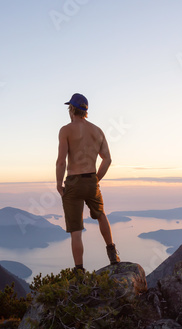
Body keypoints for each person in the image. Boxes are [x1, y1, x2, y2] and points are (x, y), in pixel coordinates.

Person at [55, 93, 119, 272]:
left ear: (72, 109)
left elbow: (61, 161)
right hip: (92, 181)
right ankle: (113, 255)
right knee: (101, 215)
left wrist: (59, 184)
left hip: (73, 182)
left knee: (76, 230)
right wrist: (96, 178)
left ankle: (79, 270)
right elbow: (107, 159)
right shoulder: (97, 131)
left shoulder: (66, 130)